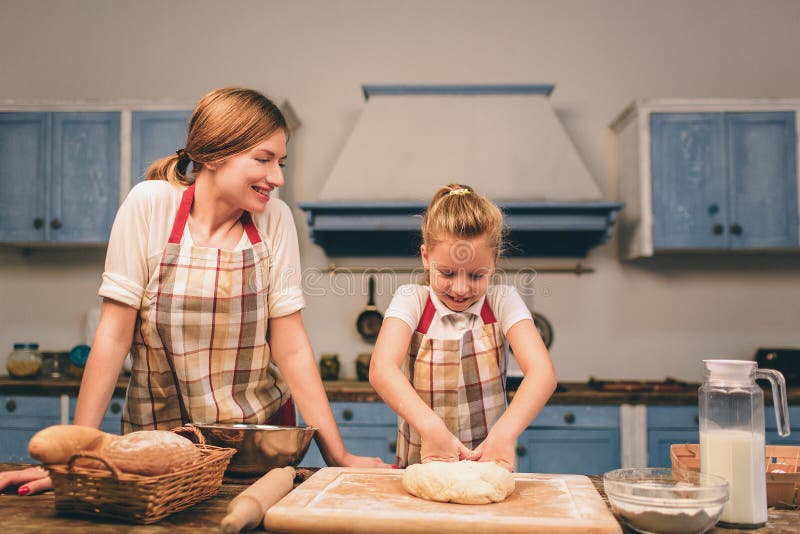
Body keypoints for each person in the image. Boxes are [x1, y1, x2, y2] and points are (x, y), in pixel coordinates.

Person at [1, 87, 388, 496]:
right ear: (211, 155)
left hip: (254, 451)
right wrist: (76, 453)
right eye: (263, 159)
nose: (278, 178)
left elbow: (290, 348)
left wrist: (338, 455)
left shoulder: (275, 220)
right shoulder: (150, 206)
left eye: (281, 161)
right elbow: (113, 338)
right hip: (158, 452)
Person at [369, 184, 557, 471]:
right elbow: (382, 369)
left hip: (488, 467)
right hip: (419, 466)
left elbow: (542, 373)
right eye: (446, 273)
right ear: (425, 257)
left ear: (494, 263)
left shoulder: (502, 300)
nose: (460, 288)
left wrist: (505, 434)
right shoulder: (412, 300)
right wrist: (430, 427)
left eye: (476, 275)